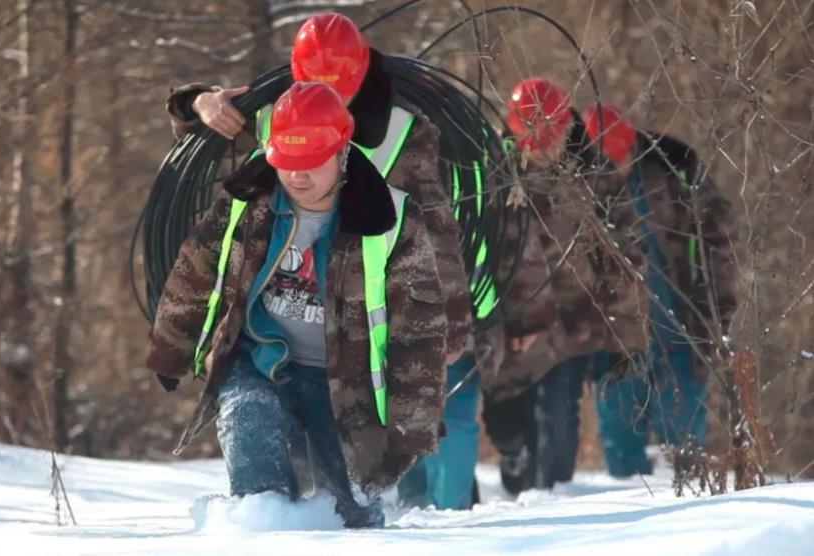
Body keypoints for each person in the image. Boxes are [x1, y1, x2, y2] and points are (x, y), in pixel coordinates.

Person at [165, 12, 492, 510]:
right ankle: (261, 528)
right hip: (271, 341)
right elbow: (199, 137)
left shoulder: (405, 133)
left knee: (348, 504)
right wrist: (199, 101)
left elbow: (435, 236)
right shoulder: (275, 114)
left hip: (353, 341)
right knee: (259, 456)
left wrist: (449, 328)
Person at [147, 81, 450, 528]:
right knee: (251, 435)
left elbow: (419, 330)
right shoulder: (246, 203)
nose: (297, 176)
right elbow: (195, 272)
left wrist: (412, 424)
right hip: (260, 360)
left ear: (341, 150)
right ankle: (263, 533)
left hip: (346, 382)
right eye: (287, 163)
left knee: (348, 515)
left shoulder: (391, 220)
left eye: (311, 162)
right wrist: (171, 349)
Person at [532, 103, 737, 479]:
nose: (615, 170)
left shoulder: (675, 171)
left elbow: (719, 244)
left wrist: (717, 311)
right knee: (619, 432)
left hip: (679, 322)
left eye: (621, 158)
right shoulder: (577, 186)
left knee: (685, 434)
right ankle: (633, 518)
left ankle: (697, 509)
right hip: (616, 335)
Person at [482, 79, 650, 494]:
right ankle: (515, 464)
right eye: (530, 137)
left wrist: (621, 326)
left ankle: (551, 497)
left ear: (566, 128)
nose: (539, 147)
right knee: (509, 416)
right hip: (514, 318)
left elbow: (627, 252)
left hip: (574, 319)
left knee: (558, 410)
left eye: (549, 137)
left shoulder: (595, 174)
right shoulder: (495, 173)